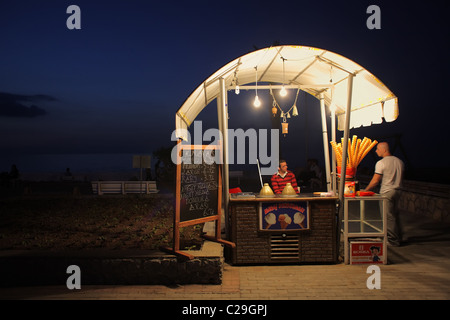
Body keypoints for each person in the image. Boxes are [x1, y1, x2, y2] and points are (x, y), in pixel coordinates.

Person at [363, 142, 405, 246]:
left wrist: (366, 190)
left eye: (377, 149)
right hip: (398, 190)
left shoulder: (381, 163)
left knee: (388, 216)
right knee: (395, 215)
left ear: (384, 150)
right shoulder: (399, 161)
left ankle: (392, 240)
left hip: (387, 192)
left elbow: (375, 180)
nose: (376, 151)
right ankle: (398, 237)